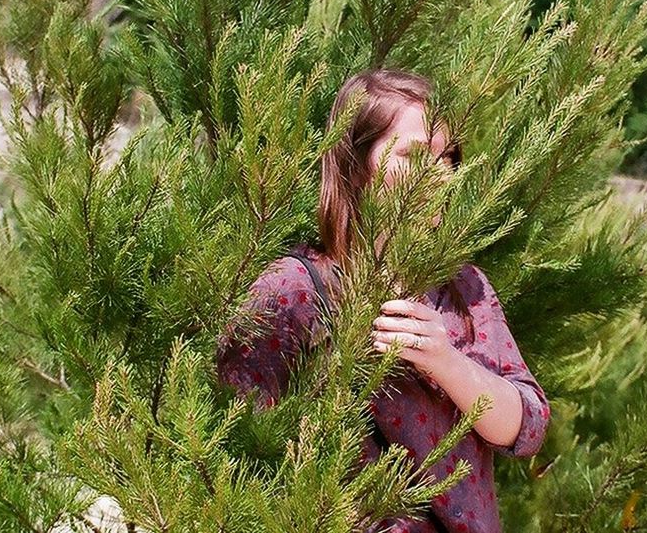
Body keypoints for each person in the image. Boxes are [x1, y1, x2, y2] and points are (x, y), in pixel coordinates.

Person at [216, 69, 550, 533]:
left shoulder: (463, 286)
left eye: (447, 157)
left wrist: (445, 360)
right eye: (415, 156)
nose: (439, 175)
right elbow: (235, 450)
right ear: (355, 164)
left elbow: (528, 426)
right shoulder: (292, 290)